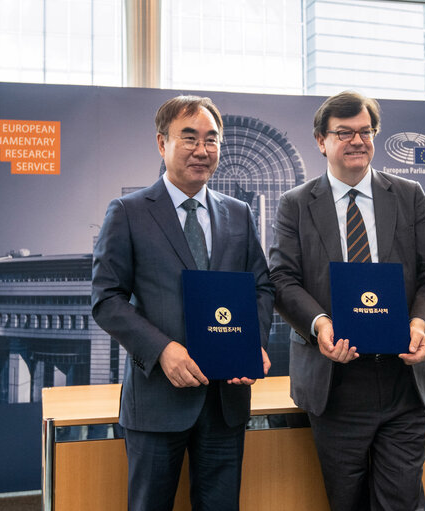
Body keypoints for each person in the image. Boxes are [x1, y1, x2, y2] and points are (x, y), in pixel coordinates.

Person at [269, 90, 425, 510]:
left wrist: (421, 324)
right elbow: (281, 279)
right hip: (335, 384)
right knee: (346, 501)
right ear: (321, 140)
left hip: (401, 380)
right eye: (344, 132)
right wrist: (319, 325)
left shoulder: (409, 195)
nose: (357, 141)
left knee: (401, 501)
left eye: (366, 132)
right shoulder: (295, 205)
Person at [91, 95, 274, 511]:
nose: (201, 150)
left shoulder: (239, 214)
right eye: (188, 137)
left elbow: (261, 287)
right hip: (158, 398)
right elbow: (106, 300)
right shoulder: (128, 212)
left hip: (226, 400)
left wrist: (253, 345)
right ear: (162, 143)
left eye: (211, 140)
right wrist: (163, 351)